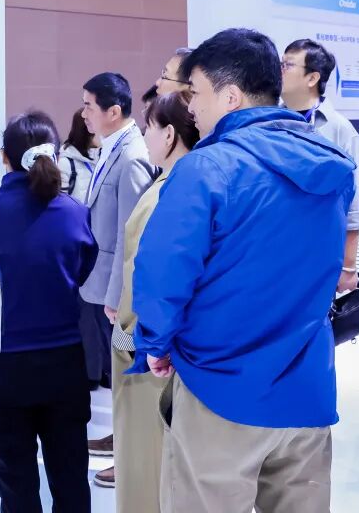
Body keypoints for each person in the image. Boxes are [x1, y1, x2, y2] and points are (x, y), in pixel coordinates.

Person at [132, 28, 355, 513]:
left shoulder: (206, 168)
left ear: (230, 96)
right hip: (306, 386)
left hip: (220, 387)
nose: (190, 107)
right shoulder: (333, 165)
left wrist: (155, 343)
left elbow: (163, 274)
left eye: (196, 93)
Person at [0, 111, 99, 513]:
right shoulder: (75, 213)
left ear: (5, 157)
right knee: (71, 481)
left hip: (3, 363)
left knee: (16, 487)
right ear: (56, 155)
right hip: (64, 363)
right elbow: (82, 271)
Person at [111, 92, 198, 513]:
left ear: (169, 134)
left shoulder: (168, 193)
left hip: (146, 353)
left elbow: (148, 281)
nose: (144, 136)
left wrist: (130, 341)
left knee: (145, 461)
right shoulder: (183, 185)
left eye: (149, 127)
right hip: (159, 348)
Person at [78, 72, 155, 474]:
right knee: (121, 374)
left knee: (130, 375)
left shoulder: (132, 155)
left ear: (113, 111)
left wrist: (119, 297)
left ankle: (131, 458)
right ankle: (121, 442)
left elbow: (133, 234)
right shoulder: (111, 148)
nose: (83, 114)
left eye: (89, 106)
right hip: (103, 285)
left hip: (119, 293)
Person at [281, 39, 359, 292]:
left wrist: (348, 267)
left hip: (318, 253)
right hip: (274, 246)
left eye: (288, 65)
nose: (279, 71)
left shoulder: (339, 130)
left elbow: (354, 205)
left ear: (312, 78)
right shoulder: (270, 121)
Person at [58, 109, 98, 204]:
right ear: (87, 132)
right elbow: (60, 203)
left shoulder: (105, 157)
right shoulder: (66, 163)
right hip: (76, 213)